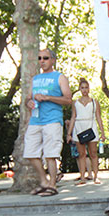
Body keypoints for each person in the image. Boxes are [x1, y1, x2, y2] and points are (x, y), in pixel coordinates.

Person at [24, 48, 72, 196]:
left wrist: (48, 98)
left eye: (45, 58)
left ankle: (53, 185)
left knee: (51, 154)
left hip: (52, 120)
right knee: (30, 153)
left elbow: (68, 100)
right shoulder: (35, 79)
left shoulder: (60, 77)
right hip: (35, 120)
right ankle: (44, 182)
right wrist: (29, 103)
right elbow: (27, 98)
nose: (42, 61)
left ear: (52, 60)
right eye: (39, 58)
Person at [66, 78, 106, 185]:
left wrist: (102, 132)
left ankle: (96, 176)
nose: (84, 90)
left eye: (86, 87)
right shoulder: (75, 103)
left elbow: (98, 117)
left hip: (91, 126)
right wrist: (69, 134)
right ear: (79, 89)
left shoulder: (94, 102)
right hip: (79, 127)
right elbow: (73, 117)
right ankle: (83, 177)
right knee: (81, 154)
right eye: (82, 88)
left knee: (93, 153)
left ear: (89, 88)